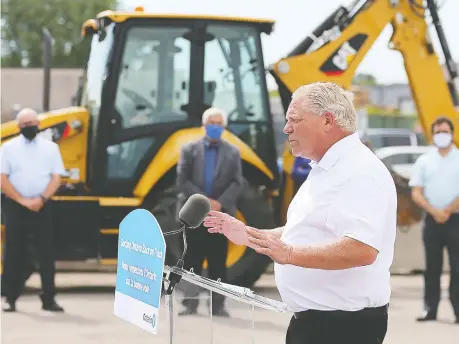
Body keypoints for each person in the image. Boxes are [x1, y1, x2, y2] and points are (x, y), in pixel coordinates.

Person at [204, 82, 397, 344]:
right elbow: (305, 230)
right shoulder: (326, 168)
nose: (286, 128)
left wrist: (291, 255)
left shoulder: (359, 171)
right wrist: (250, 235)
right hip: (316, 323)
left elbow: (362, 249)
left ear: (328, 121)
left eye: (294, 119)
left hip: (342, 328)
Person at [176, 107, 243, 317]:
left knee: (217, 262)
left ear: (223, 127)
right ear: (204, 126)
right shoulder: (189, 149)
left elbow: (237, 182)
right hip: (194, 215)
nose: (215, 127)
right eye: (211, 123)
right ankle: (190, 303)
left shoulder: (233, 152)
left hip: (219, 216)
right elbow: (182, 180)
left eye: (218, 123)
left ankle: (218, 306)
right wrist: (205, 202)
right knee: (191, 260)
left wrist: (219, 203)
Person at [1, 108, 65, 313]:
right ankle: (10, 298)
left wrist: (42, 198)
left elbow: (57, 177)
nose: (30, 127)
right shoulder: (8, 148)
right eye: (26, 124)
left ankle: (49, 299)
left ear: (38, 124)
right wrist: (22, 200)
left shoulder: (51, 148)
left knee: (46, 254)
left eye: (33, 123)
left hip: (42, 207)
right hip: (15, 207)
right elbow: (2, 178)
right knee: (13, 253)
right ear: (19, 127)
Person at [409, 116, 459, 324]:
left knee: (457, 268)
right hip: (432, 220)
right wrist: (434, 211)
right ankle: (430, 309)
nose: (441, 135)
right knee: (432, 268)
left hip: (455, 220)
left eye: (445, 131)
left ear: (453, 134)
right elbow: (416, 192)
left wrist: (447, 210)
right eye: (437, 132)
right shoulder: (424, 161)